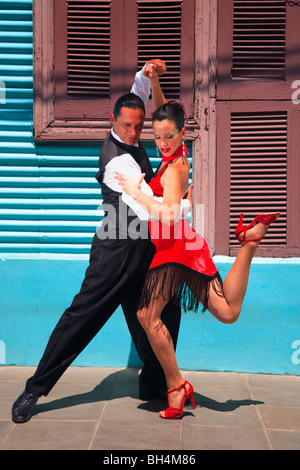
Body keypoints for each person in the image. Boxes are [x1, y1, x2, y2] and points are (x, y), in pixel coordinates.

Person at [11, 61, 191, 424]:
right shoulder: (117, 164)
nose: (133, 131)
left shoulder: (135, 124)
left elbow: (138, 97)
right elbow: (153, 208)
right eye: (126, 125)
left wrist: (147, 75)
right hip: (116, 250)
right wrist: (183, 203)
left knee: (164, 312)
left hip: (145, 250)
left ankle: (155, 383)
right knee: (83, 317)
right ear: (112, 119)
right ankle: (35, 388)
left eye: (139, 126)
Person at [115, 100, 280, 420]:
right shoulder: (174, 156)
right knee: (228, 311)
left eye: (168, 137)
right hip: (188, 247)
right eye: (157, 137)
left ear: (183, 134)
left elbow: (169, 213)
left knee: (147, 316)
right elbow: (166, 109)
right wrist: (154, 79)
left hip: (174, 250)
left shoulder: (176, 168)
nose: (161, 143)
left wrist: (135, 192)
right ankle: (249, 242)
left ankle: (176, 386)